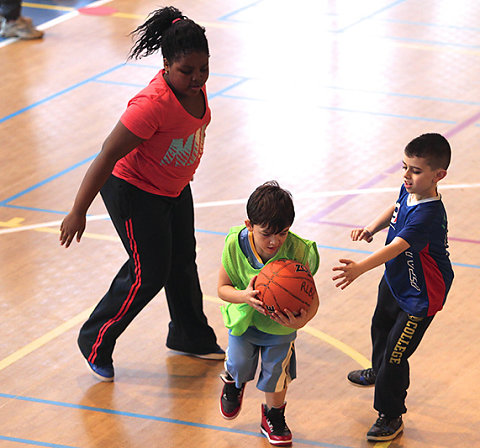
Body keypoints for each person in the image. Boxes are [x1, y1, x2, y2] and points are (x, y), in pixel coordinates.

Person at [59, 6, 224, 383]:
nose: (197, 77)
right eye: (187, 71)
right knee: (148, 272)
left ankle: (190, 336)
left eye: (204, 68)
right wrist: (78, 210)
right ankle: (95, 340)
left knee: (182, 261)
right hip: (134, 190)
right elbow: (106, 155)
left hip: (174, 188)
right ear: (166, 64)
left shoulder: (193, 86)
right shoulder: (152, 105)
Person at [332, 133, 454, 442]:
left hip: (421, 296)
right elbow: (395, 209)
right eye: (405, 167)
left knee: (396, 355)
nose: (406, 176)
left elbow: (397, 247)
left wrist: (359, 268)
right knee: (380, 328)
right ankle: (378, 372)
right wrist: (372, 228)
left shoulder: (429, 214)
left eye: (415, 170)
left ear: (438, 175)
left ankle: (391, 414)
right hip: (396, 279)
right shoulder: (409, 190)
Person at [217, 181, 320, 447]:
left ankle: (273, 417)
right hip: (244, 322)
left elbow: (313, 298)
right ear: (249, 225)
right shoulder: (234, 246)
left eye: (283, 233)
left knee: (277, 376)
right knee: (239, 364)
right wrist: (245, 297)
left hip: (281, 328)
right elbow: (222, 289)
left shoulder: (298, 251)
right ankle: (233, 381)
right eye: (267, 234)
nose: (275, 241)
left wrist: (303, 319)